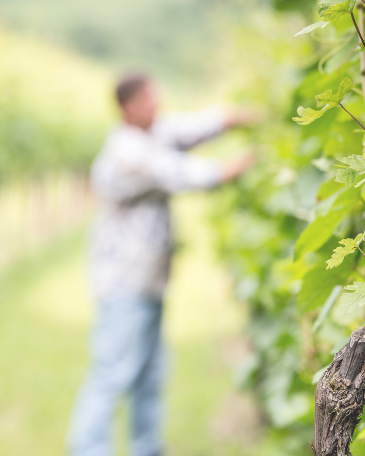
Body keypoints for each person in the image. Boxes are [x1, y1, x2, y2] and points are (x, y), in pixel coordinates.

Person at [67, 73, 257, 456]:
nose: (158, 106)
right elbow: (178, 172)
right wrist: (235, 167)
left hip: (148, 279)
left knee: (149, 375)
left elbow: (187, 130)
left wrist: (231, 119)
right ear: (127, 107)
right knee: (113, 372)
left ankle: (147, 448)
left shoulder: (149, 134)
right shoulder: (128, 151)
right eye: (150, 100)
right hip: (125, 280)